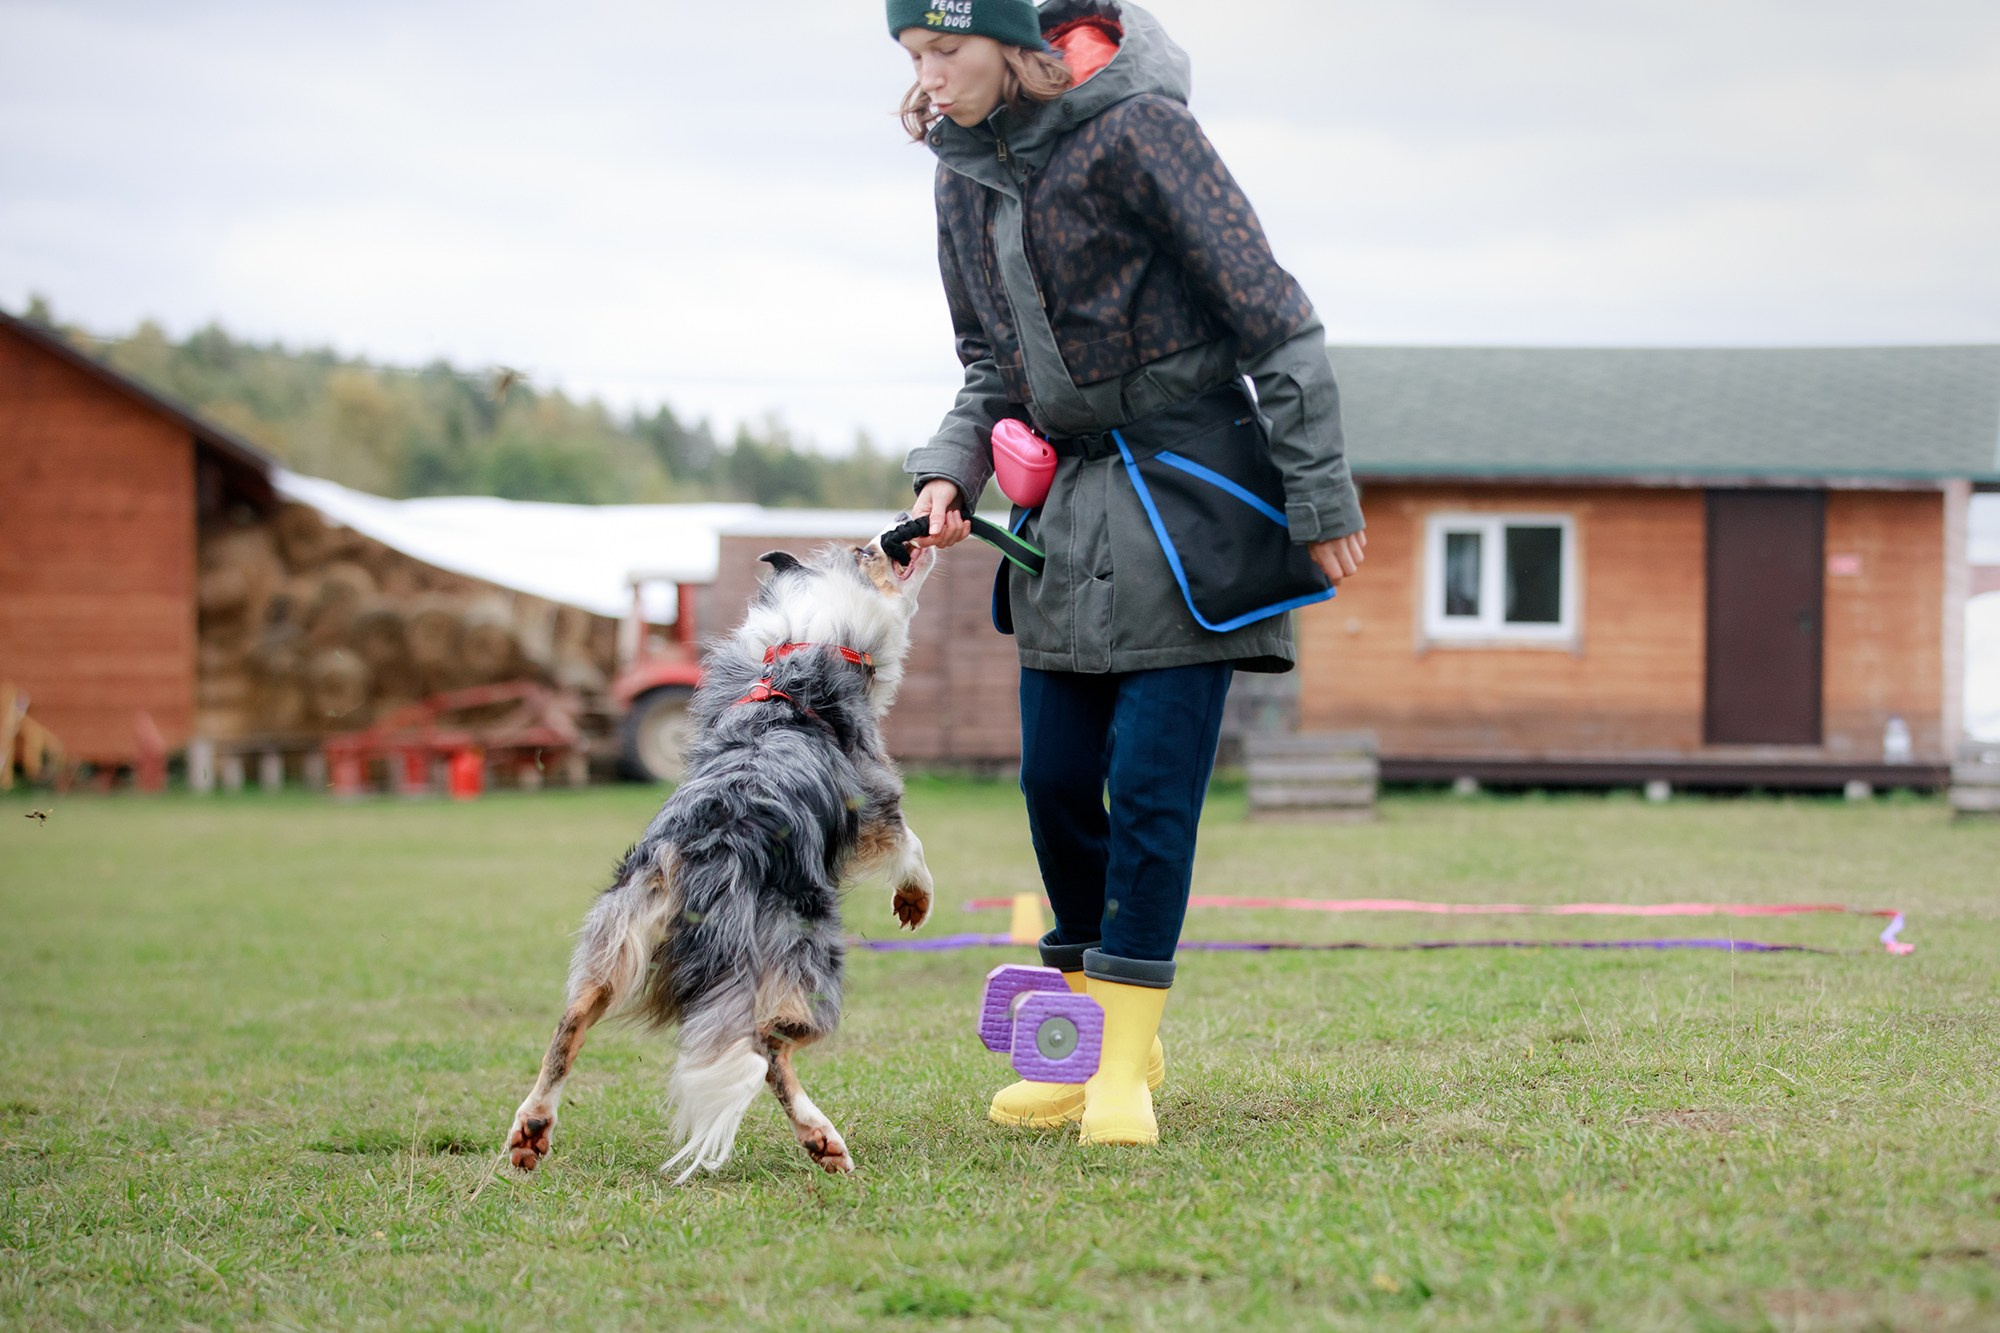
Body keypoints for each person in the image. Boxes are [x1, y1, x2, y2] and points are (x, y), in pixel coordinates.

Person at [889, 0, 1366, 1147]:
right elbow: (984, 364)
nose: (929, 75)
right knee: (1054, 782)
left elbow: (1276, 323)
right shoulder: (960, 176)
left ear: (1017, 44)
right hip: (1060, 515)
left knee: (1150, 789)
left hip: (1189, 494)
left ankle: (1120, 1065)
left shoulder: (1143, 132)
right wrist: (947, 473)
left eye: (946, 49)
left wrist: (1319, 495)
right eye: (913, 55)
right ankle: (1081, 1044)